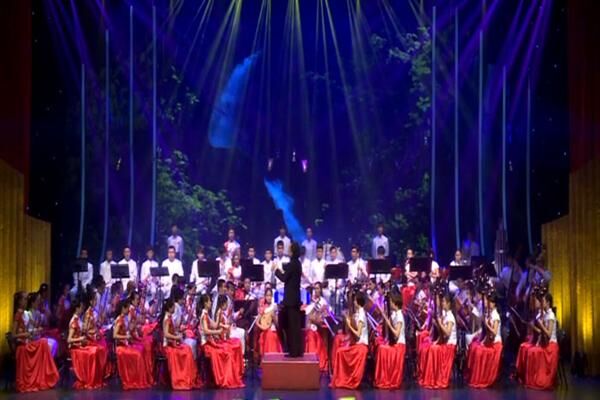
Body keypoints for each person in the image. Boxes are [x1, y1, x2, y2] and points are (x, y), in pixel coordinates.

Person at [12, 291, 59, 392]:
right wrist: (25, 334)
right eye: (25, 299)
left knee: (44, 342)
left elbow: (30, 329)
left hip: (27, 342)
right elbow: (13, 335)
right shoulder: (18, 314)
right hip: (22, 346)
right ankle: (43, 376)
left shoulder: (24, 314)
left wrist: (31, 333)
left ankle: (43, 375)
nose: (26, 301)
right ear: (19, 301)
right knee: (43, 343)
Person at [198, 294, 245, 388]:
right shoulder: (203, 316)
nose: (211, 302)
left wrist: (219, 318)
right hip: (206, 343)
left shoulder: (207, 315)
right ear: (205, 303)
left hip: (211, 341)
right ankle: (224, 378)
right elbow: (206, 331)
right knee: (226, 352)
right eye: (209, 301)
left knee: (228, 350)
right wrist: (217, 331)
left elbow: (215, 325)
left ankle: (229, 376)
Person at [517, 292, 559, 390]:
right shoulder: (544, 314)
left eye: (543, 301)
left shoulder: (551, 315)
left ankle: (536, 378)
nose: (541, 302)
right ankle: (529, 377)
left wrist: (540, 325)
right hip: (544, 342)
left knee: (532, 351)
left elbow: (548, 334)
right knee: (530, 350)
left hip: (551, 344)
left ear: (548, 303)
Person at [330, 291, 369, 389]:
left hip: (361, 346)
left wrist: (349, 324)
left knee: (340, 352)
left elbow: (358, 333)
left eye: (355, 300)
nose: (354, 302)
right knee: (340, 349)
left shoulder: (361, 315)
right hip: (358, 344)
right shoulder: (358, 313)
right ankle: (340, 377)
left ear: (358, 302)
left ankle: (342, 379)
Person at [161, 298, 202, 390]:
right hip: (168, 346)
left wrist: (178, 333)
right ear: (170, 308)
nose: (174, 309)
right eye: (173, 307)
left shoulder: (169, 317)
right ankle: (183, 378)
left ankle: (188, 377)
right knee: (186, 351)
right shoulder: (167, 319)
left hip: (172, 343)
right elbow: (166, 334)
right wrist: (176, 337)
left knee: (188, 349)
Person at [417, 294, 457, 389]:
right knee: (428, 347)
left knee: (433, 350)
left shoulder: (450, 317)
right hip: (444, 342)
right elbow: (442, 334)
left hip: (449, 345)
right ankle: (429, 376)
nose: (442, 304)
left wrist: (439, 323)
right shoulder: (445, 315)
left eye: (444, 302)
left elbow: (447, 333)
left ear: (449, 304)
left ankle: (435, 378)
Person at [67, 297, 106, 389]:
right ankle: (89, 378)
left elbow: (84, 330)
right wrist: (80, 338)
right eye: (81, 307)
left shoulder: (78, 319)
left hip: (80, 344)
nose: (82, 309)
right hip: (75, 348)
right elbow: (69, 339)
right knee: (93, 352)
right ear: (77, 308)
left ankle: (96, 378)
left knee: (98, 349)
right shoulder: (74, 321)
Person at [112, 300, 152, 390]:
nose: (128, 310)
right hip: (120, 347)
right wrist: (126, 336)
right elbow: (115, 335)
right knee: (138, 354)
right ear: (123, 309)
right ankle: (134, 379)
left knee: (141, 349)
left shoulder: (125, 319)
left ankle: (138, 378)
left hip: (125, 343)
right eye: (127, 308)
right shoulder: (119, 320)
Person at [273, 241, 303, 357]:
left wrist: (276, 270)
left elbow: (284, 278)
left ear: (293, 251)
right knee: (295, 325)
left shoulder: (292, 264)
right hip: (295, 298)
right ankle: (297, 350)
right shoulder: (297, 263)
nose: (288, 251)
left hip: (291, 300)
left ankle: (293, 352)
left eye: (289, 249)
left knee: (291, 326)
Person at [466, 292, 502, 388]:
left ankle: (482, 377)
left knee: (479, 351)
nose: (488, 303)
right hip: (488, 340)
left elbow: (494, 332)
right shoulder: (488, 313)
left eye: (491, 302)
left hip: (495, 342)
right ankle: (474, 375)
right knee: (473, 346)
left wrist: (487, 325)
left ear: (494, 304)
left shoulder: (495, 316)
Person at [374, 294, 406, 389]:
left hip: (399, 345)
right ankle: (383, 378)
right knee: (380, 347)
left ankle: (386, 378)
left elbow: (396, 334)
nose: (390, 304)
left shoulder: (399, 316)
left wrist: (389, 324)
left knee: (382, 349)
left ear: (395, 304)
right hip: (395, 344)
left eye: (391, 302)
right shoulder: (394, 314)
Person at [304, 282, 330, 372]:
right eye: (315, 288)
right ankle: (310, 362)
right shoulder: (310, 302)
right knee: (310, 334)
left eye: (318, 288)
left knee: (313, 335)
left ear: (321, 290)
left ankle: (316, 362)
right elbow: (307, 316)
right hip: (309, 328)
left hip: (319, 328)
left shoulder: (323, 302)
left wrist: (315, 318)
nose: (316, 290)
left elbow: (323, 317)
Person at [256, 288, 282, 356]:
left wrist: (274, 317)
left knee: (271, 335)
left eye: (270, 295)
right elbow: (257, 322)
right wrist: (263, 327)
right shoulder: (262, 308)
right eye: (267, 295)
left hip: (273, 330)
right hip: (265, 331)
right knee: (267, 335)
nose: (269, 297)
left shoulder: (274, 307)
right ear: (265, 296)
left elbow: (277, 324)